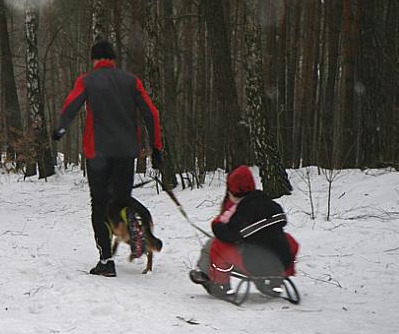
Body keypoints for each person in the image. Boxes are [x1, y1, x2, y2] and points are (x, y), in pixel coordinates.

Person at [52, 39, 163, 277]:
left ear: (94, 59)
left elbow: (71, 106)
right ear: (113, 59)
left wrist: (60, 129)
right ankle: (132, 226)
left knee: (99, 204)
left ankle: (106, 260)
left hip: (97, 153)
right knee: (121, 200)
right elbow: (151, 114)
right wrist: (156, 148)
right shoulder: (131, 81)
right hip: (126, 152)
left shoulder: (87, 80)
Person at [190, 165, 299, 298]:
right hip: (282, 262)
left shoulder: (241, 212)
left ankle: (220, 284)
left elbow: (228, 235)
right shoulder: (271, 205)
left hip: (254, 265)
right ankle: (276, 281)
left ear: (232, 192)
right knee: (288, 239)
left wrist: (217, 224)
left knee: (217, 246)